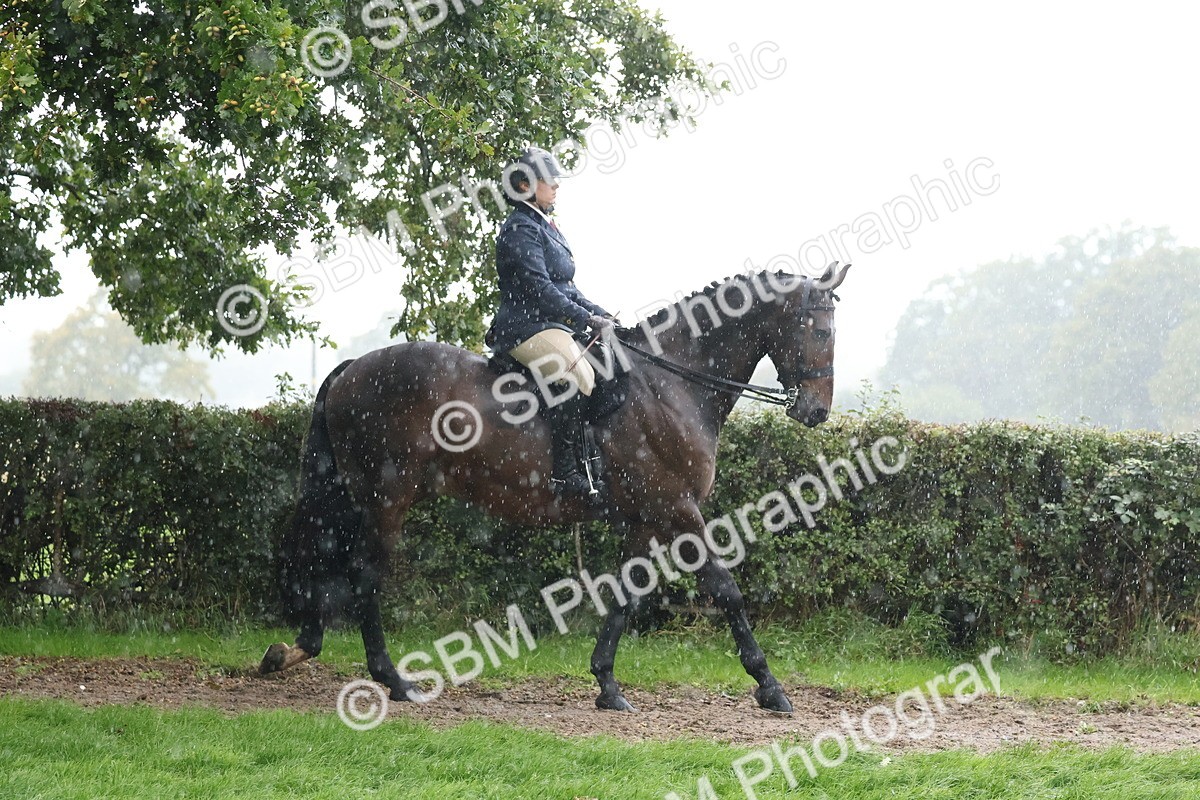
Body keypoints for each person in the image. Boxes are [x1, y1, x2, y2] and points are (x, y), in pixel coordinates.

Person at [486, 147, 616, 497]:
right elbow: (540, 288)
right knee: (578, 373)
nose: (556, 185)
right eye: (549, 180)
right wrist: (584, 318)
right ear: (527, 186)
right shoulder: (519, 228)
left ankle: (592, 458)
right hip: (524, 328)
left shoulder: (543, 224)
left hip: (548, 325)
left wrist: (597, 312)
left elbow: (565, 287)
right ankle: (564, 472)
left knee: (607, 365)